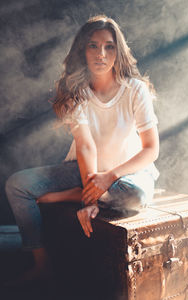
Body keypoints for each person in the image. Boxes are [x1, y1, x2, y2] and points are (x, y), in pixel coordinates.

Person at [5, 15, 159, 283]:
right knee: (17, 185)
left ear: (118, 51)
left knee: (136, 194)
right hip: (84, 170)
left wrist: (108, 178)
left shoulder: (135, 90)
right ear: (82, 51)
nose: (101, 54)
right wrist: (91, 197)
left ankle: (72, 195)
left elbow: (150, 149)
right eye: (93, 46)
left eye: (109, 46)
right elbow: (85, 145)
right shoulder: (77, 91)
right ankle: (43, 265)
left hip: (124, 177)